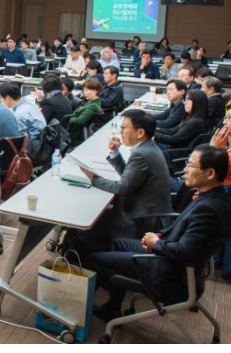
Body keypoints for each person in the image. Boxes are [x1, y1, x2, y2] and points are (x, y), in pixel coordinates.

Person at [89, 145, 231, 321]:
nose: (185, 169)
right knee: (118, 243)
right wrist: (159, 235)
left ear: (210, 173)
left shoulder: (207, 210)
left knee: (94, 259)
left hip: (168, 274)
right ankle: (112, 307)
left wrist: (157, 244)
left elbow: (186, 252)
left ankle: (80, 312)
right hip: (172, 258)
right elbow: (181, 225)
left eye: (191, 165)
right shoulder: (216, 197)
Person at [68, 108, 172, 256]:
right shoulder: (148, 147)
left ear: (140, 133)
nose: (120, 132)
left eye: (124, 128)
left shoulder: (141, 155)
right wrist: (115, 153)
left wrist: (92, 178)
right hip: (147, 210)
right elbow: (128, 176)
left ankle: (102, 258)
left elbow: (121, 187)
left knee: (85, 228)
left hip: (141, 218)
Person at [67, 78, 104, 144]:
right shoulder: (90, 102)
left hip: (74, 132)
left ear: (95, 91)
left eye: (87, 90)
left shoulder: (93, 106)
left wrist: (66, 119)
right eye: (84, 90)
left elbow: (80, 120)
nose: (84, 92)